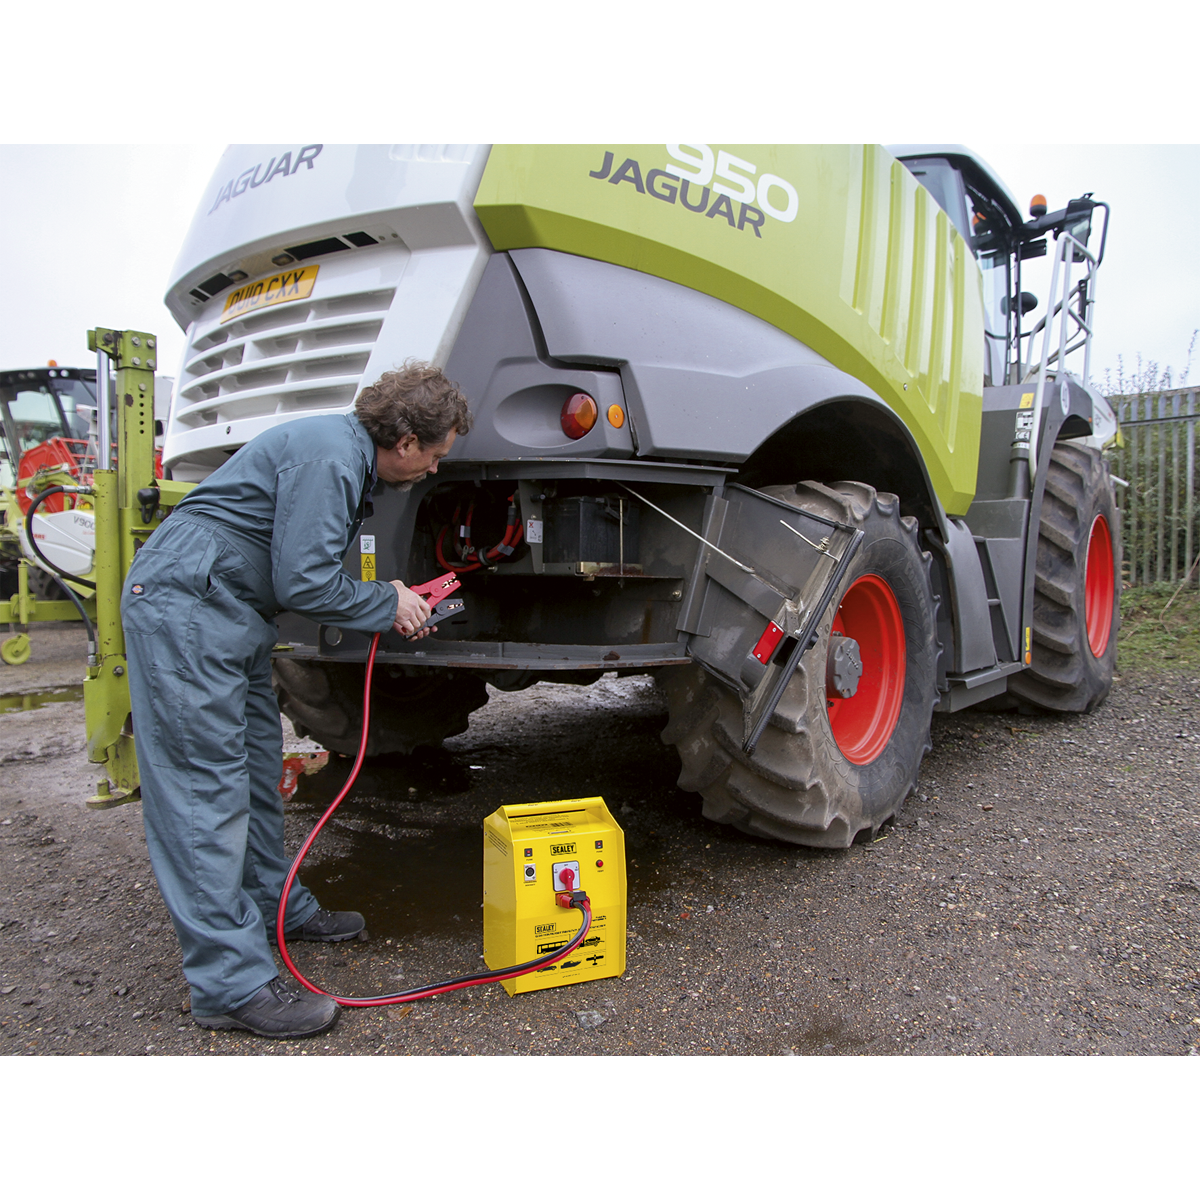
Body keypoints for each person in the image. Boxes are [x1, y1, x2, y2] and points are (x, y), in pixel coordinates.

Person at [121, 363, 471, 1039]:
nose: (433, 469)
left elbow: (299, 570)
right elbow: (307, 583)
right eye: (434, 455)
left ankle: (273, 908)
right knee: (204, 791)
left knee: (253, 771)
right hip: (190, 610)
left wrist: (384, 596)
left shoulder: (339, 455)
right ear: (402, 439)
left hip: (231, 615)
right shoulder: (332, 456)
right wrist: (385, 602)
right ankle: (229, 983)